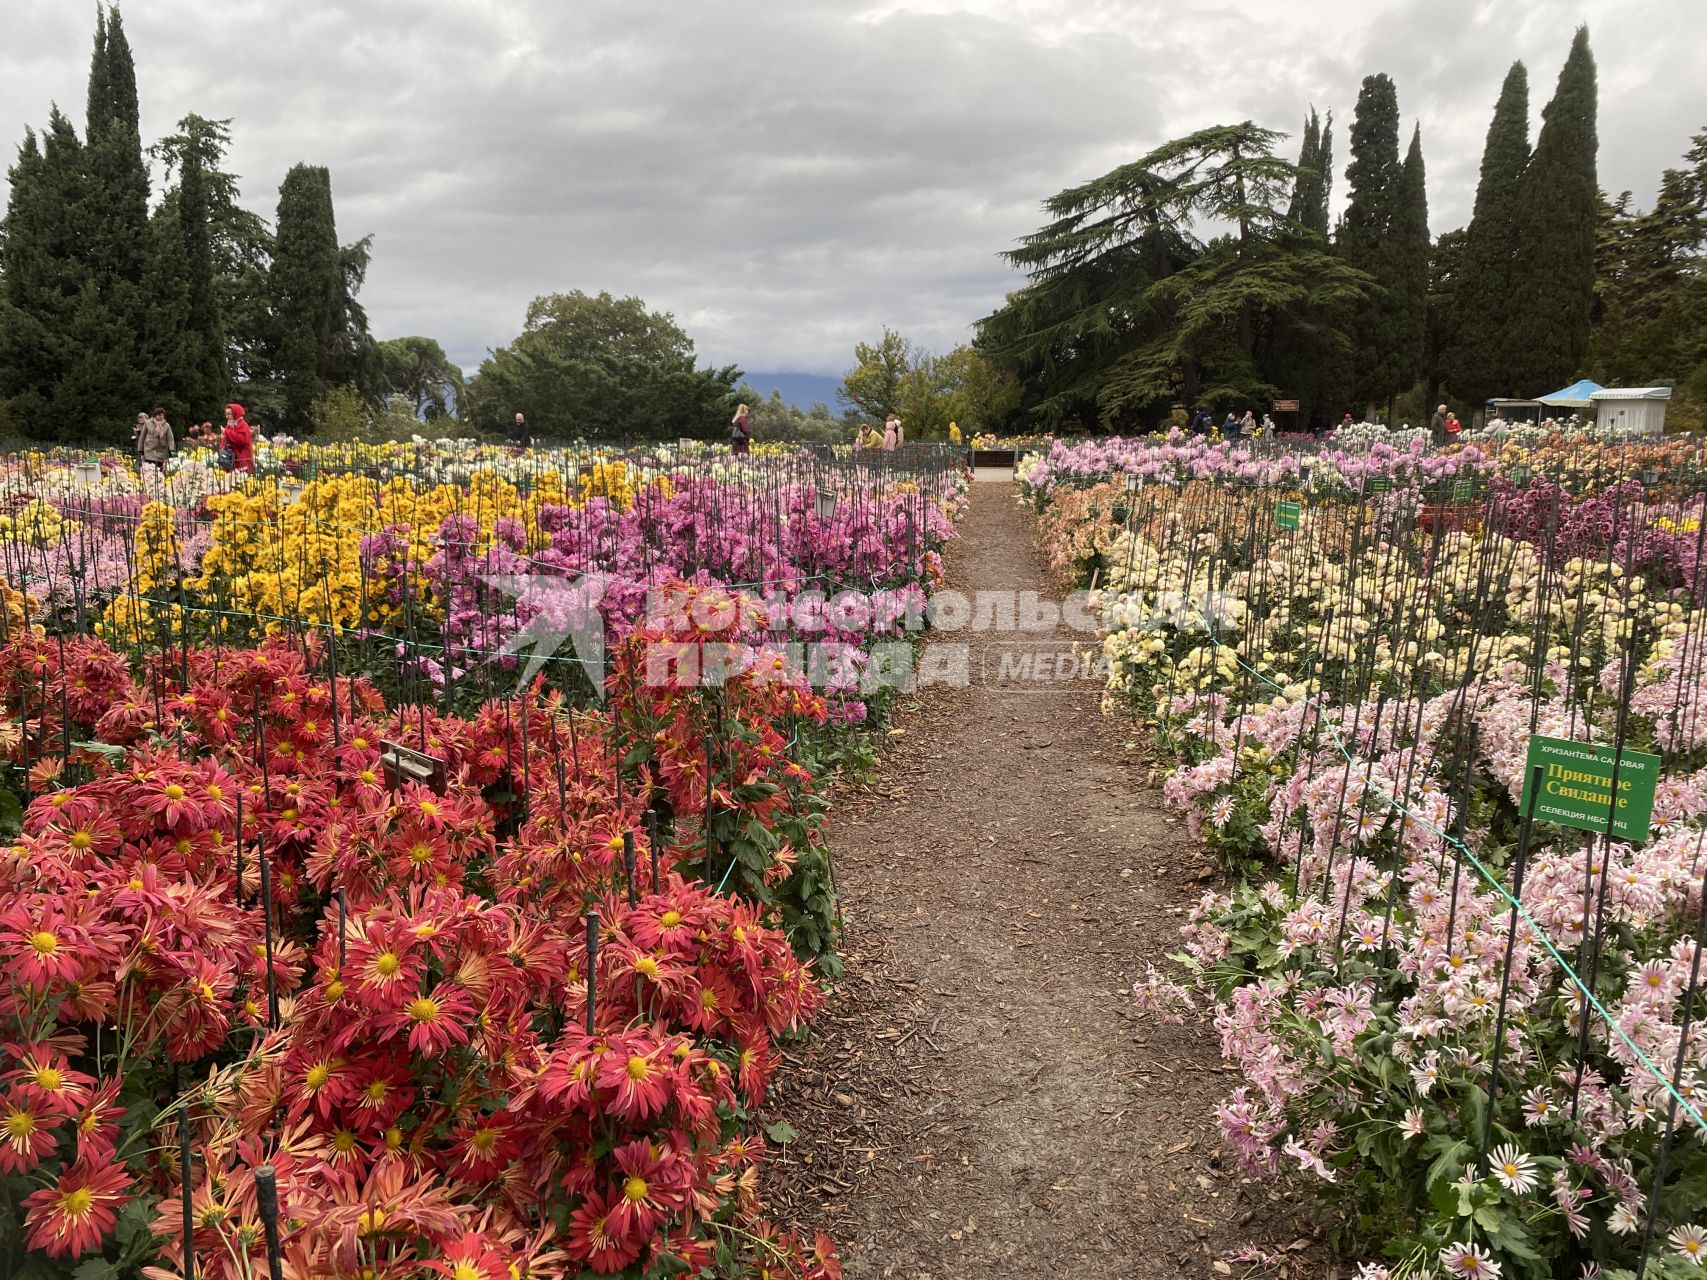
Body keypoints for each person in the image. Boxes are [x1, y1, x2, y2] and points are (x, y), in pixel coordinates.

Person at [137, 407, 174, 474]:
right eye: (159, 415)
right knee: (150, 469)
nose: (161, 417)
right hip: (149, 450)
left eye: (162, 415)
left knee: (160, 471)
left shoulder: (166, 425)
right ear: (155, 415)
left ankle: (158, 483)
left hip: (161, 451)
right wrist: (140, 449)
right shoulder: (148, 423)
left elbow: (170, 437)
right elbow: (142, 436)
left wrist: (171, 449)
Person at [222, 403, 255, 473]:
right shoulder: (230, 424)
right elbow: (225, 440)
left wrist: (226, 432)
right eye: (226, 414)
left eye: (229, 414)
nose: (227, 416)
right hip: (231, 454)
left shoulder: (243, 424)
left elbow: (241, 439)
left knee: (241, 475)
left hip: (242, 455)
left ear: (236, 413)